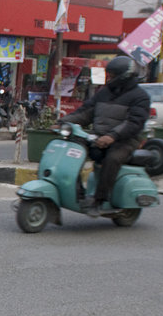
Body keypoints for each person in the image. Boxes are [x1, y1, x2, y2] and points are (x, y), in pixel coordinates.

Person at [54, 54, 149, 217]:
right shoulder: (103, 92)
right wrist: (63, 122)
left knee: (112, 159)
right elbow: (85, 113)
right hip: (97, 137)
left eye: (111, 76)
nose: (108, 78)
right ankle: (76, 191)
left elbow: (134, 123)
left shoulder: (140, 97)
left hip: (124, 141)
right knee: (73, 149)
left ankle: (99, 200)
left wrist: (112, 136)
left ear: (123, 77)